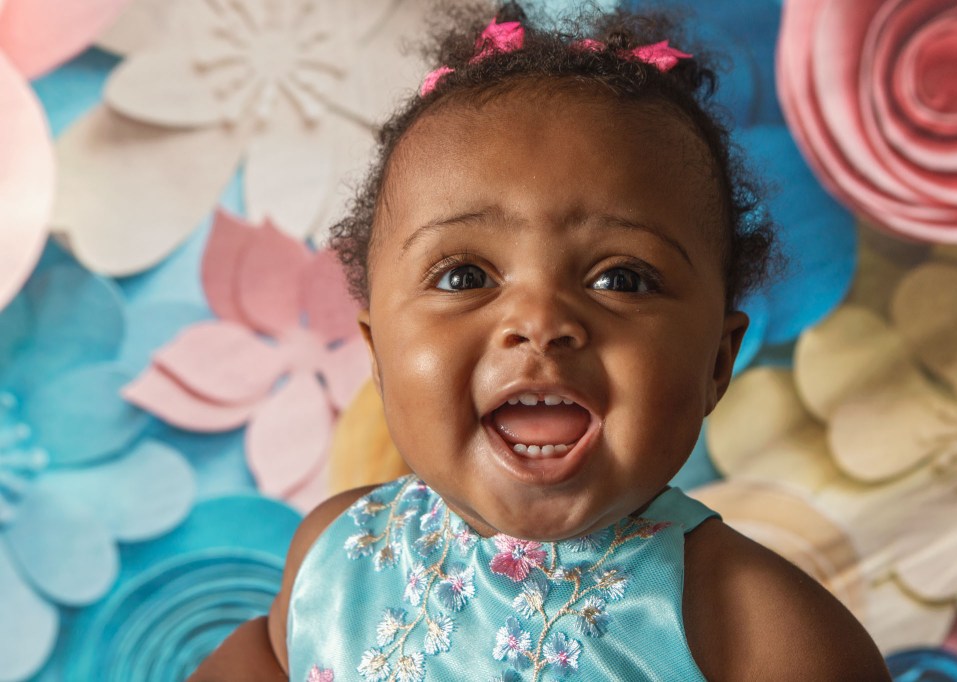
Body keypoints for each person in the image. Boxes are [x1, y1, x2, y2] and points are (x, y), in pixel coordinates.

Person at [190, 2, 890, 680]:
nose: (540, 320)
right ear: (377, 355)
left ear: (717, 361)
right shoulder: (336, 554)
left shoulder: (762, 634)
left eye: (621, 279)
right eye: (465, 276)